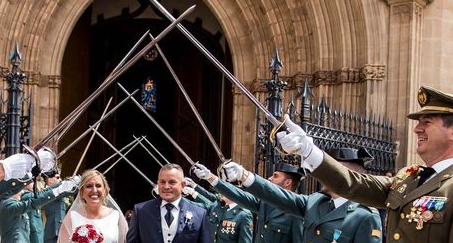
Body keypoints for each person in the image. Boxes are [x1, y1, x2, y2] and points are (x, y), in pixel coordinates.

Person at [277, 85, 453, 243]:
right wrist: (308, 151)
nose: (417, 129)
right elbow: (354, 184)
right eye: (418, 122)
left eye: (427, 122)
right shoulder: (408, 178)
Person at [194, 147, 382, 243]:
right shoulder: (317, 202)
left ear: (343, 176)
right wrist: (244, 175)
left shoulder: (364, 216)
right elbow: (277, 197)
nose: (320, 176)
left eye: (327, 172)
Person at [192, 162, 303, 243]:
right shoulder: (264, 203)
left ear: (287, 182)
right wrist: (210, 177)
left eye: (275, 176)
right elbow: (239, 196)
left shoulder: (296, 212)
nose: (269, 178)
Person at [126, 163, 211, 243]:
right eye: (162, 182)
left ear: (183, 185)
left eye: (172, 182)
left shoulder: (199, 214)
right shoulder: (141, 211)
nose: (166, 187)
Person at [0, 175, 77, 243]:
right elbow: (33, 202)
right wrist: (58, 190)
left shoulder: (10, 203)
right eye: (19, 189)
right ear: (12, 189)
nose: (21, 192)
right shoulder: (8, 204)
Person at [60, 169, 128, 243]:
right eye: (89, 186)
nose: (94, 190)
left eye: (98, 186)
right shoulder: (72, 217)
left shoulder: (116, 216)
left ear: (105, 191)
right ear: (82, 192)